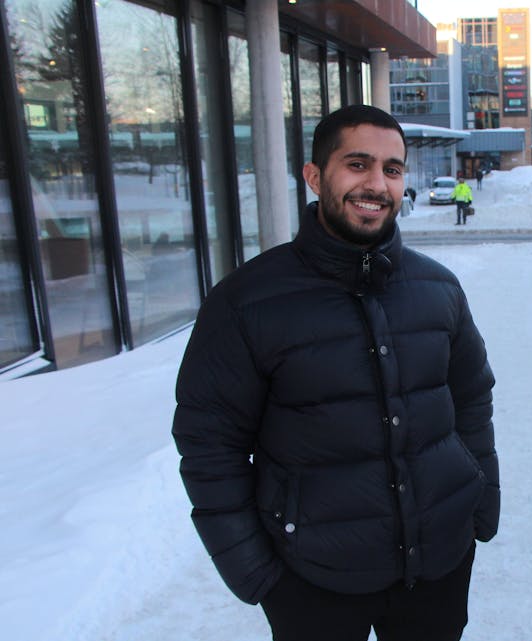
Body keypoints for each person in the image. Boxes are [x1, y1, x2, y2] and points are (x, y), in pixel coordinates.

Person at [172, 105, 499, 641]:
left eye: (392, 169)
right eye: (358, 164)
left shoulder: (438, 289)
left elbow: (472, 399)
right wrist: (256, 574)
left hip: (437, 566)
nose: (377, 184)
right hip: (311, 581)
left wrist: (481, 502)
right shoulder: (247, 301)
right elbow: (209, 443)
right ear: (314, 175)